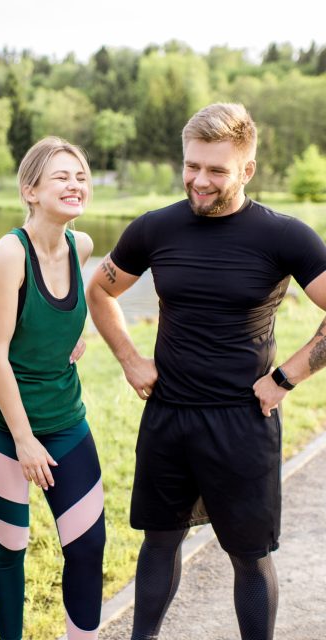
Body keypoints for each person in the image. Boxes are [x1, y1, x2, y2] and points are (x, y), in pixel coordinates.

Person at [86, 102, 326, 640]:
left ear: (247, 170)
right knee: (159, 540)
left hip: (243, 421)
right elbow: (99, 289)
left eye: (216, 169)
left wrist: (286, 377)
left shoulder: (284, 236)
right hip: (168, 415)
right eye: (192, 165)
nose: (199, 180)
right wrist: (129, 358)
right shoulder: (155, 228)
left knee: (249, 555)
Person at [0, 137, 105, 640]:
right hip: (0, 425)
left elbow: (62, 313)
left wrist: (78, 332)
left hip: (65, 419)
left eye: (81, 176)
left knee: (88, 547)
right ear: (30, 190)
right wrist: (23, 440)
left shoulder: (80, 245)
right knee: (11, 547)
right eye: (61, 177)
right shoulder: (9, 253)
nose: (75, 184)